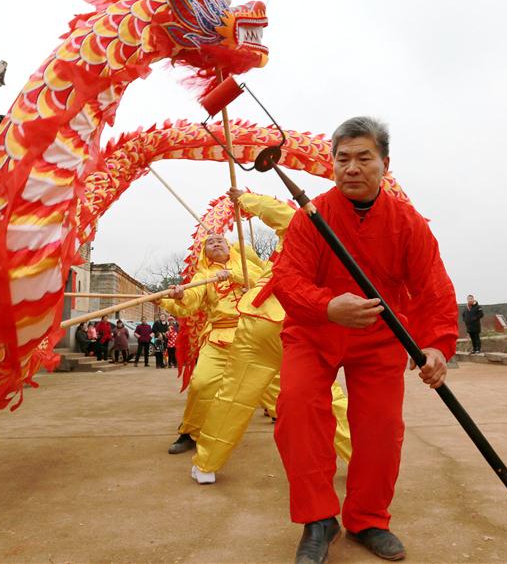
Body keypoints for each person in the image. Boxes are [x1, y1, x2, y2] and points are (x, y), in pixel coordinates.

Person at [270, 117, 458, 563]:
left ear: (384, 164)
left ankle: (368, 518)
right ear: (332, 163)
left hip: (379, 338)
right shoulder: (310, 216)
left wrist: (436, 345)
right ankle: (318, 519)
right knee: (296, 408)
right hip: (313, 333)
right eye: (342, 158)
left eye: (363, 158)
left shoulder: (408, 224)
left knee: (381, 429)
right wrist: (326, 306)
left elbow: (433, 288)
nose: (351, 168)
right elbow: (286, 278)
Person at [190, 189, 352, 486]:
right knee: (329, 397)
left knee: (234, 395)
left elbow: (279, 212)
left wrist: (243, 199)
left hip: (264, 321)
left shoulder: (298, 230)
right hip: (296, 325)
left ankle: (205, 463)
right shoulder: (342, 250)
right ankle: (357, 458)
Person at [159, 234, 261, 454]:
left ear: (229, 246)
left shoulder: (245, 263)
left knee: (285, 384)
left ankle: (310, 429)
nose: (215, 243)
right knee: (201, 384)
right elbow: (190, 301)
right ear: (205, 252)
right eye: (210, 243)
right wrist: (178, 295)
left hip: (256, 334)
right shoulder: (203, 274)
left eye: (219, 240)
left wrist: (235, 276)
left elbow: (265, 281)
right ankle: (190, 433)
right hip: (220, 336)